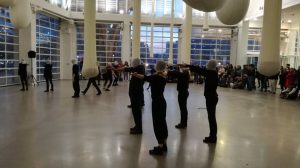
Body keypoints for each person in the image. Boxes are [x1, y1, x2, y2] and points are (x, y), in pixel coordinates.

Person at [132, 60, 168, 155]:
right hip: (162, 103)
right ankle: (164, 144)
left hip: (157, 104)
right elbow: (146, 77)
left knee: (157, 125)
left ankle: (160, 147)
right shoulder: (163, 75)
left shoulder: (155, 77)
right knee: (163, 123)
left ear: (158, 66)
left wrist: (135, 75)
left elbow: (144, 77)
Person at [186, 59, 219, 144]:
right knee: (211, 118)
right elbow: (200, 70)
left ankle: (213, 137)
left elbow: (199, 70)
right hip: (211, 97)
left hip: (211, 98)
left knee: (211, 118)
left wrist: (188, 66)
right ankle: (212, 136)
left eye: (208, 64)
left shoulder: (211, 73)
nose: (206, 65)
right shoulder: (213, 73)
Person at [122, 58, 145, 134]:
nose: (132, 63)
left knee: (137, 111)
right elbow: (128, 69)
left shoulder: (139, 68)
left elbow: (130, 69)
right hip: (135, 93)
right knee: (135, 112)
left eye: (133, 62)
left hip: (136, 94)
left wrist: (136, 74)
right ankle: (137, 126)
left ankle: (139, 128)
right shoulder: (138, 68)